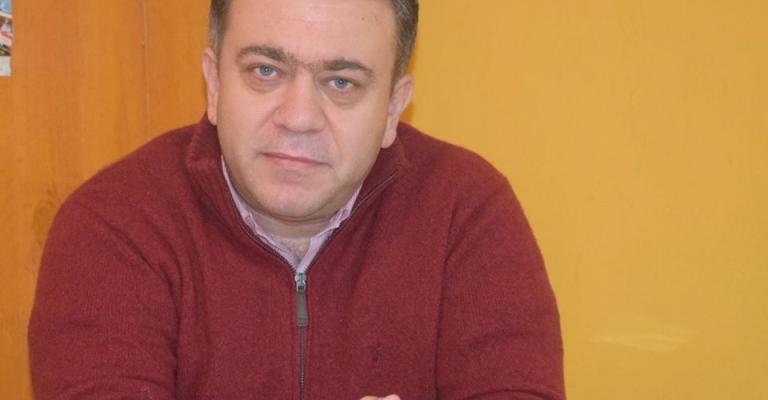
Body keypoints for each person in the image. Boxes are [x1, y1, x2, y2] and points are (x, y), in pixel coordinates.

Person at [28, 0, 565, 399]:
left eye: (341, 82)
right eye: (266, 71)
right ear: (214, 83)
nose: (299, 117)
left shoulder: (465, 211)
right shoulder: (114, 224)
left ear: (392, 108)